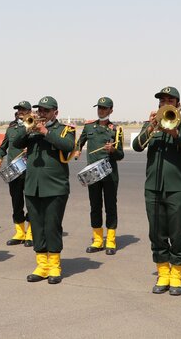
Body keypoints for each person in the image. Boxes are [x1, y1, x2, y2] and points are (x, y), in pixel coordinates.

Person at [133, 86, 181, 296]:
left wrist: (175, 132)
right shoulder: (150, 125)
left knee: (177, 233)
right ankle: (163, 272)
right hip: (153, 188)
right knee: (156, 233)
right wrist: (151, 126)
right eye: (162, 100)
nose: (164, 103)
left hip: (176, 189)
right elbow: (137, 146)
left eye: (169, 100)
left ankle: (177, 274)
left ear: (177, 104)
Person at [13, 96, 76, 284]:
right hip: (33, 186)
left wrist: (45, 132)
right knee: (38, 227)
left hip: (55, 186)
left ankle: (54, 266)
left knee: (52, 227)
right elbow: (16, 143)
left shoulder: (65, 130)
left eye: (45, 111)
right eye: (39, 110)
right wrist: (27, 128)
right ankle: (42, 265)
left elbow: (68, 146)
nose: (41, 114)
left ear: (55, 112)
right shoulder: (30, 128)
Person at [74, 97, 124, 255]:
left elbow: (120, 155)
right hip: (93, 174)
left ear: (111, 110)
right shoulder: (89, 127)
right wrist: (78, 150)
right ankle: (97, 240)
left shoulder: (116, 130)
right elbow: (80, 142)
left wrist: (113, 151)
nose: (101, 110)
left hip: (109, 174)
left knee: (110, 207)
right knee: (95, 206)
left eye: (104, 108)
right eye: (99, 108)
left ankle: (110, 240)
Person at [0, 101, 34, 247]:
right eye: (18, 109)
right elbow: (3, 146)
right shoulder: (11, 128)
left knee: (31, 202)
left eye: (23, 109)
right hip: (14, 170)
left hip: (30, 170)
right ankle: (19, 232)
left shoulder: (33, 125)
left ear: (30, 111)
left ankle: (31, 232)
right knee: (16, 202)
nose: (20, 112)